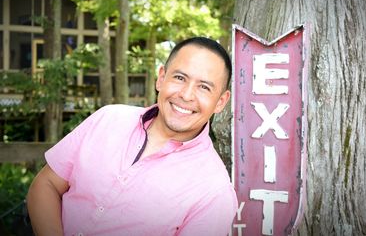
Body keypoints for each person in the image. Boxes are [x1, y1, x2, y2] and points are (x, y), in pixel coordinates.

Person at [27, 37, 238, 236]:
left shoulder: (215, 192)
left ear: (221, 101)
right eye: (180, 78)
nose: (186, 95)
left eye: (204, 87)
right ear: (161, 78)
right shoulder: (108, 119)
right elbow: (46, 185)